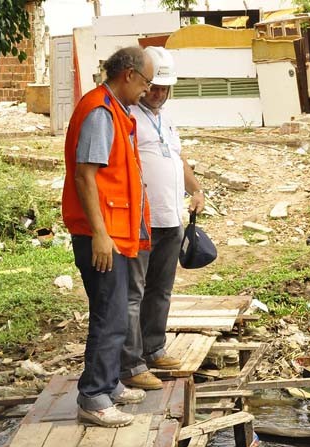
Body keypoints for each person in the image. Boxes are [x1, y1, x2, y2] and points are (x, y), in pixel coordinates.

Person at [62, 46, 154, 427]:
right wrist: (100, 234)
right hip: (102, 235)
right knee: (111, 313)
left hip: (114, 232)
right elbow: (85, 175)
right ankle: (94, 397)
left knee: (112, 310)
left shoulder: (117, 111)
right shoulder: (100, 112)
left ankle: (108, 382)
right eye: (146, 82)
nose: (147, 90)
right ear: (129, 74)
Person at [120, 47, 205, 390]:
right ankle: (131, 363)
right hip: (141, 221)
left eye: (163, 88)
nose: (157, 93)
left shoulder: (166, 118)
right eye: (153, 86)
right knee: (133, 292)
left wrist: (196, 190)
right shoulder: (127, 116)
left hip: (171, 218)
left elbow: (177, 159)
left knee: (161, 290)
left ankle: (154, 349)